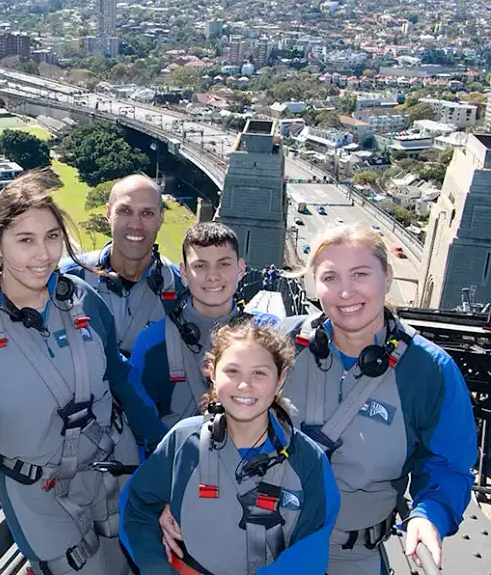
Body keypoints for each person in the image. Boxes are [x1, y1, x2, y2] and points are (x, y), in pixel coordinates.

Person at [158, 225, 477, 574]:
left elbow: (447, 464)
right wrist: (180, 489)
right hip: (255, 544)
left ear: (386, 277)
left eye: (360, 274)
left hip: (350, 558)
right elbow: (220, 419)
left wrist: (429, 515)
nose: (345, 292)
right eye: (330, 277)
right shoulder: (282, 343)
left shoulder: (430, 370)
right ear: (314, 285)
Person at [0, 168, 163, 575]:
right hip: (43, 496)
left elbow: (119, 378)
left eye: (52, 237)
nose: (43, 254)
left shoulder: (84, 300)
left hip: (113, 468)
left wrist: (168, 451)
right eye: (25, 240)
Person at [120, 319, 340, 574]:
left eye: (259, 373)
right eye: (232, 371)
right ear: (212, 374)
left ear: (280, 380)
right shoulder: (184, 441)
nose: (244, 385)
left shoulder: (307, 461)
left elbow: (308, 552)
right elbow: (136, 509)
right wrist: (157, 567)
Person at [128, 222, 248, 432]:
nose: (213, 275)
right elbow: (139, 431)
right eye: (200, 266)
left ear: (241, 269)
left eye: (224, 264)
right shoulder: (152, 344)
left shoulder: (266, 338)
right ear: (183, 273)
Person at [62, 174, 185, 357]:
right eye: (125, 211)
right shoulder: (68, 278)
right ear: (108, 213)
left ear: (161, 218)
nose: (135, 225)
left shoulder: (178, 285)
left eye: (147, 213)